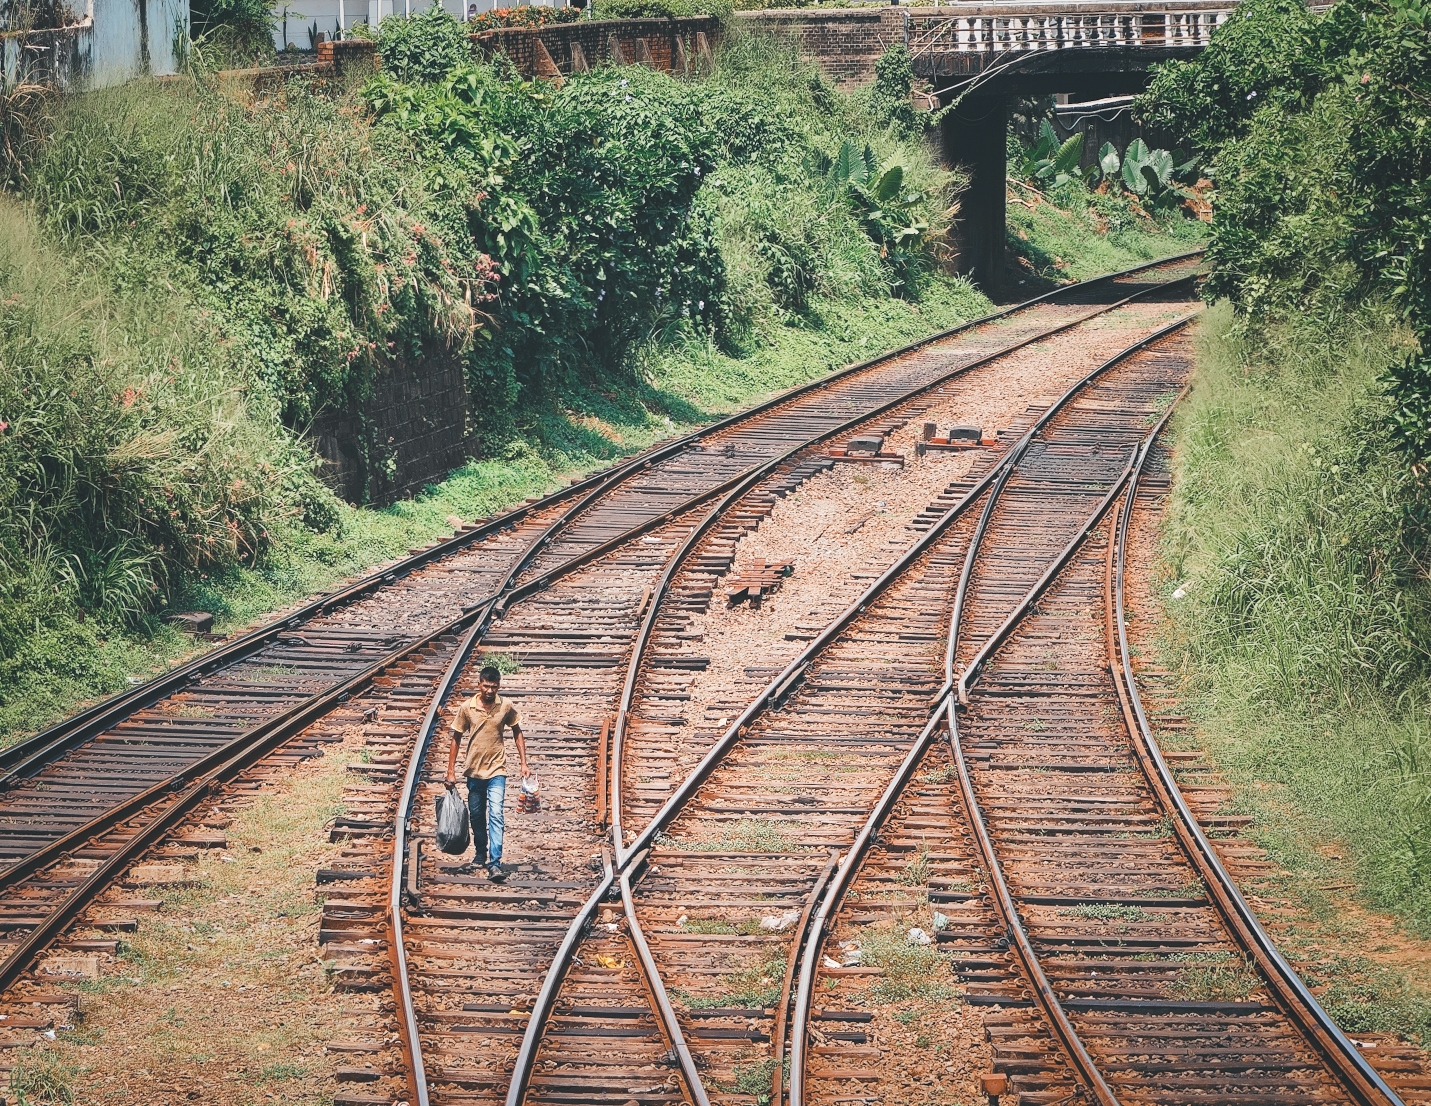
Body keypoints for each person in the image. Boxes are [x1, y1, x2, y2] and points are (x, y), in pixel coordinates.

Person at [444, 665, 529, 882]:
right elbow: (456, 737)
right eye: (486, 686)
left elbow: (517, 732)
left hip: (497, 771)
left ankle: (495, 862)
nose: (490, 691)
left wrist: (523, 763)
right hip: (473, 771)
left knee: (497, 815)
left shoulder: (505, 706)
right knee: (477, 815)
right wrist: (450, 770)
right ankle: (481, 852)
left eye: (494, 686)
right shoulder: (467, 708)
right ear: (479, 684)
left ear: (499, 686)